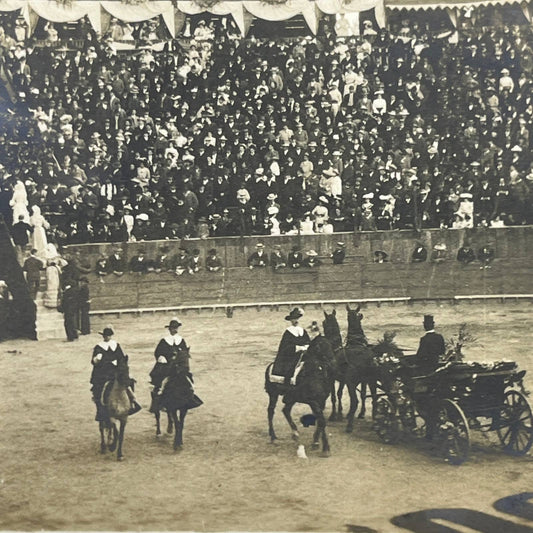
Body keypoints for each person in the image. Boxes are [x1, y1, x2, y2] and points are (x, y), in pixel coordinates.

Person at [90, 326, 141, 425]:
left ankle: (132, 402)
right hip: (104, 373)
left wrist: (118, 363)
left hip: (116, 371)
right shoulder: (99, 347)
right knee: (99, 388)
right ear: (103, 336)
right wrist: (97, 359)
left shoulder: (116, 345)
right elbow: (93, 361)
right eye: (105, 336)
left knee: (128, 383)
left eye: (109, 336)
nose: (107, 337)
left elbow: (122, 358)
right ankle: (101, 409)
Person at [149, 317, 189, 413]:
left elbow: (185, 353)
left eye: (175, 328)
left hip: (178, 366)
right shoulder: (164, 340)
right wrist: (161, 357)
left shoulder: (181, 340)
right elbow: (157, 352)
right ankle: (158, 400)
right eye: (172, 328)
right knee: (161, 381)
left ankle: (190, 396)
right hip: (167, 366)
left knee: (188, 380)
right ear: (169, 329)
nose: (174, 330)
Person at [272, 308, 310, 385]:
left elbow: (308, 341)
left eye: (296, 318)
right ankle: (288, 385)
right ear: (291, 321)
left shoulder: (303, 330)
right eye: (293, 319)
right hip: (292, 355)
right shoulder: (288, 332)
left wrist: (307, 346)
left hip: (304, 354)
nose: (295, 321)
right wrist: (298, 348)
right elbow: (285, 347)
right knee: (290, 367)